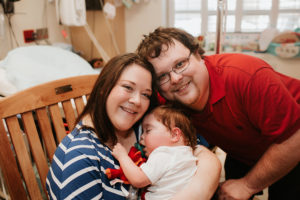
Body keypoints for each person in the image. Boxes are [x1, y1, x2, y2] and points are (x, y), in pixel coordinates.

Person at [137, 27, 300, 200]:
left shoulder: (247, 77)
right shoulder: (167, 97)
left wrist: (247, 185)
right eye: (162, 76)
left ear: (199, 55)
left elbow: (294, 139)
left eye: (180, 64)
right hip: (244, 147)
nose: (176, 79)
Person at [46, 53, 221, 200]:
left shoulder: (142, 127)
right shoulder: (80, 159)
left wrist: (196, 192)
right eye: (128, 87)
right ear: (103, 88)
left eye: (145, 94)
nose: (137, 101)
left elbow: (196, 150)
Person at [112, 105, 198, 200]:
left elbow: (138, 179)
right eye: (142, 132)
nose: (141, 137)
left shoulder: (164, 154)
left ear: (174, 135)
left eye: (148, 131)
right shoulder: (189, 155)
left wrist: (122, 156)